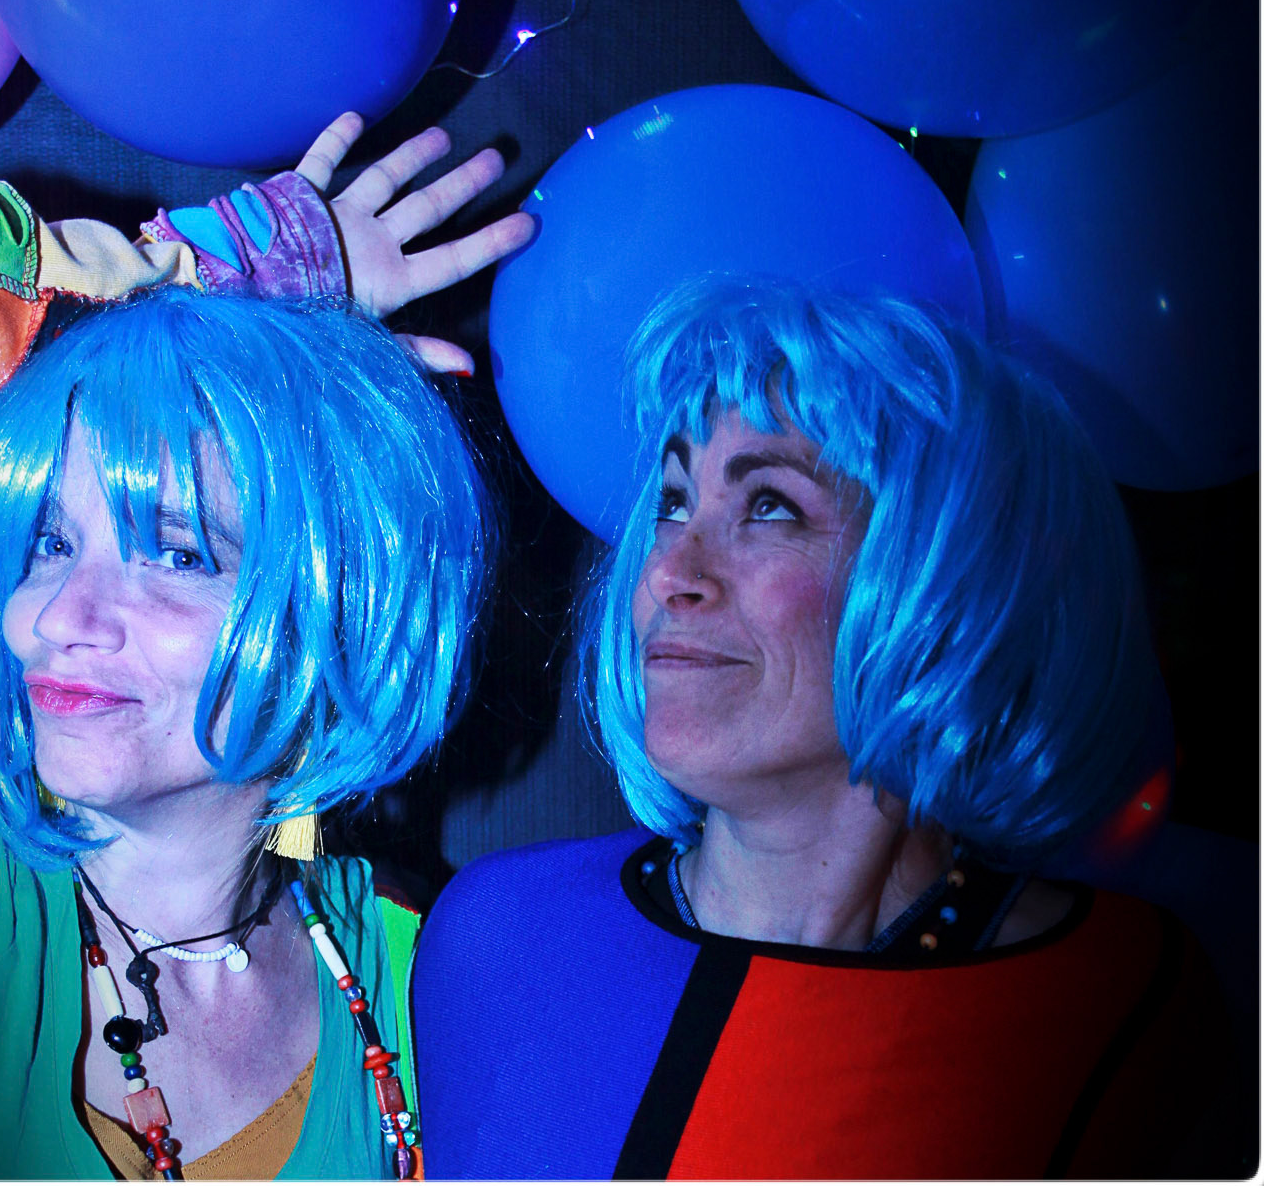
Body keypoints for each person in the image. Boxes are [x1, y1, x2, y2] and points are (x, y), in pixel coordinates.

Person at [0, 114, 530, 1178]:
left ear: (331, 612)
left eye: (175, 553)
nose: (61, 615)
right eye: (49, 542)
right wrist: (216, 277)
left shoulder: (431, 974)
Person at [413, 275, 1244, 1179]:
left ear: (948, 580)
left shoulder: (1122, 1004)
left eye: (768, 506)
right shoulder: (499, 938)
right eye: (672, 502)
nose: (668, 573)